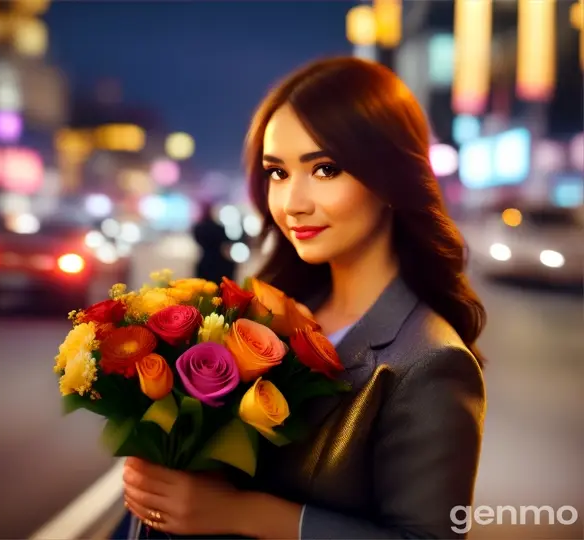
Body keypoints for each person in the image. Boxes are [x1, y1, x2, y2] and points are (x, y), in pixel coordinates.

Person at [123, 57, 487, 539]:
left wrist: (243, 513)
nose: (293, 202)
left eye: (325, 169)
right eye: (277, 172)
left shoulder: (431, 362)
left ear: (392, 176)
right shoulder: (271, 313)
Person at [192, 201, 236, 283]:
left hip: (205, 262)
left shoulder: (198, 228)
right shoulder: (218, 227)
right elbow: (226, 244)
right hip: (220, 262)